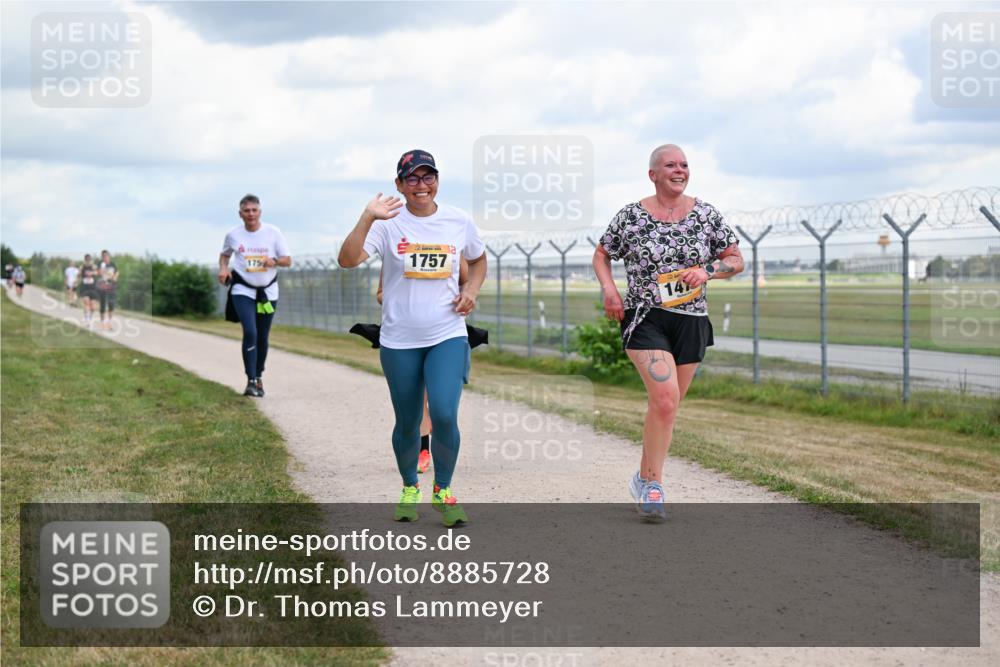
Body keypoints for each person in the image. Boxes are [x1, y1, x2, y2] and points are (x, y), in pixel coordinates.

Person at [593, 144, 744, 522]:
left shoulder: (706, 215)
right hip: (646, 317)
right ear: (653, 175)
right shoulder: (632, 216)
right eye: (671, 165)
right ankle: (654, 485)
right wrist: (610, 290)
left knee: (668, 406)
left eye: (684, 165)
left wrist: (708, 271)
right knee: (664, 398)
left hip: (691, 321)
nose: (680, 170)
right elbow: (602, 254)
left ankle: (644, 477)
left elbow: (736, 259)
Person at [338, 149, 487, 526]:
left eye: (428, 176)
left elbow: (478, 259)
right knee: (407, 421)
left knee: (444, 413)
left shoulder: (457, 220)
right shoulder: (387, 223)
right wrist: (367, 217)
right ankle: (409, 487)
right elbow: (348, 260)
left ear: (437, 180)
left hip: (447, 333)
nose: (422, 185)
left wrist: (471, 289)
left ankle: (443, 490)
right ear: (399, 184)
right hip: (399, 340)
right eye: (413, 178)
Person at [219, 194, 292, 398]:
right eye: (247, 211)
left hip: (267, 292)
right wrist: (223, 269)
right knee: (250, 331)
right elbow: (225, 255)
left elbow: (288, 260)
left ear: (260, 212)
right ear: (240, 213)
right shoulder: (233, 234)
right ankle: (250, 380)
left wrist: (274, 261)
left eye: (254, 210)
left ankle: (259, 376)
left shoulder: (273, 232)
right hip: (242, 289)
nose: (251, 214)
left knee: (262, 335)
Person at [97, 250, 119, 330]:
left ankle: (109, 323)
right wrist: (103, 272)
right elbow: (98, 273)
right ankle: (102, 323)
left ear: (109, 256)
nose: (105, 257)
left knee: (111, 304)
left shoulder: (113, 264)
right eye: (103, 256)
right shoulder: (100, 264)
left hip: (111, 286)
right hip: (102, 286)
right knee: (103, 305)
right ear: (102, 257)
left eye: (106, 256)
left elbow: (117, 272)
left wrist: (115, 276)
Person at [78, 254, 100, 327]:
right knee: (86, 302)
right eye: (86, 259)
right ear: (85, 260)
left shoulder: (94, 266)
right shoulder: (82, 267)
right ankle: (87, 320)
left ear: (91, 260)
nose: (88, 261)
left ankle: (89, 318)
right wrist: (78, 276)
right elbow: (79, 276)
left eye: (89, 259)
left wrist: (92, 272)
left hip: (93, 288)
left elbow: (98, 273)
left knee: (93, 307)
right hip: (85, 287)